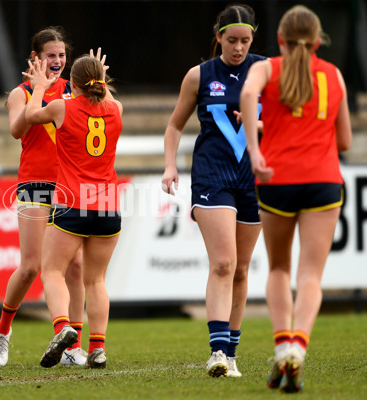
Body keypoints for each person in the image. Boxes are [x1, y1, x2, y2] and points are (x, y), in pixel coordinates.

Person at [240, 5, 352, 393]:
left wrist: (256, 150)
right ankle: (298, 349)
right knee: (310, 276)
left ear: (281, 40)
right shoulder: (334, 74)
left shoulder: (268, 68)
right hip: (323, 181)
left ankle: (282, 343)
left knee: (278, 270)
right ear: (318, 41)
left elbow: (247, 92)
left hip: (277, 181)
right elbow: (345, 141)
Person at [161, 4, 264, 378]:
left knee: (240, 270)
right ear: (218, 36)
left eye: (245, 40)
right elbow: (174, 126)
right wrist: (170, 164)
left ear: (254, 38)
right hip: (211, 176)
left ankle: (232, 354)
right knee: (223, 263)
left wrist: (260, 122)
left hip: (253, 178)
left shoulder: (267, 70)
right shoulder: (199, 75)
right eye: (231, 39)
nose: (238, 47)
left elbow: (288, 121)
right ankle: (217, 352)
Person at [0, 27, 86, 367]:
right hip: (34, 183)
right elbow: (18, 129)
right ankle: (2, 332)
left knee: (74, 266)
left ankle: (72, 344)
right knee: (31, 266)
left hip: (69, 185)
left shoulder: (74, 89)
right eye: (50, 55)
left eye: (61, 55)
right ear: (35, 58)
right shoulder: (20, 92)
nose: (57, 61)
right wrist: (39, 90)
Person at [24, 49, 122, 369]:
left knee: (52, 271)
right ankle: (98, 349)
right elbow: (101, 96)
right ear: (102, 81)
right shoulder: (116, 108)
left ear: (73, 85)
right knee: (96, 281)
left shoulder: (61, 106)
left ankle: (63, 326)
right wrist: (99, 78)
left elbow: (28, 118)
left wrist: (39, 85)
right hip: (108, 203)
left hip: (72, 201)